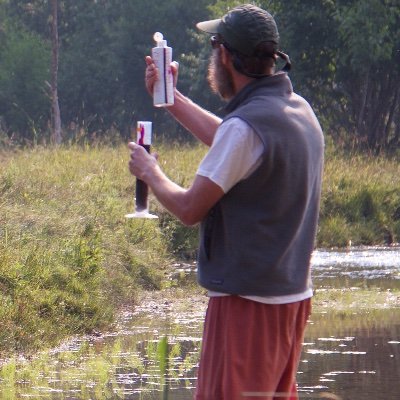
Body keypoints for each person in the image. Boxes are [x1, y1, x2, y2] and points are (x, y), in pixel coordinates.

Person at [128, 4, 324, 399]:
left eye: (215, 46)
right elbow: (235, 142)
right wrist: (172, 99)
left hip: (246, 306)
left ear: (225, 55)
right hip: (291, 300)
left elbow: (188, 208)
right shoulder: (296, 111)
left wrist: (150, 172)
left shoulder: (246, 127)